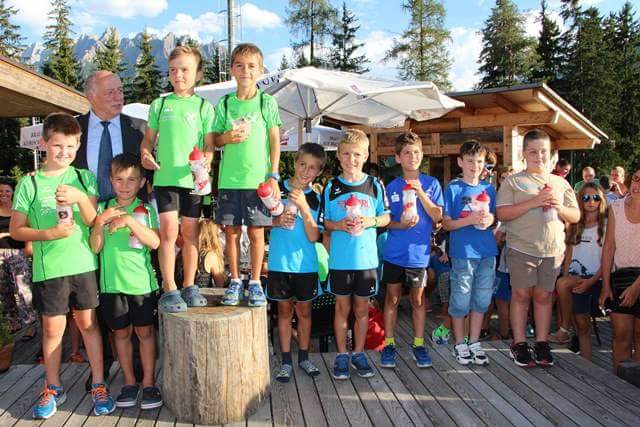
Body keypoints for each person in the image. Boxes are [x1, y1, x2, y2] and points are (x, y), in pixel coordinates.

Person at [10, 113, 115, 418]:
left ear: (78, 145)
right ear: (44, 143)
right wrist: (49, 234)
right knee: (53, 330)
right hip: (50, 269)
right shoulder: (30, 183)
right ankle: (53, 385)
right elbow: (17, 230)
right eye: (57, 145)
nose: (64, 152)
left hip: (83, 264)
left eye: (70, 146)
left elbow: (93, 220)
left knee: (89, 325)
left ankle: (98, 383)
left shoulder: (83, 178)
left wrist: (80, 197)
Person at [141, 46, 215, 313]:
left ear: (198, 73)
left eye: (185, 69)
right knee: (168, 232)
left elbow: (209, 144)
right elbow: (148, 140)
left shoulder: (204, 107)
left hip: (194, 181)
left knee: (191, 233)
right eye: (173, 70)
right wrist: (145, 154)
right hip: (165, 179)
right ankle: (170, 288)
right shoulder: (159, 104)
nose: (178, 75)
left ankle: (190, 285)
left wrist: (207, 158)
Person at [496, 129, 580, 368]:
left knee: (544, 297)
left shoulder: (560, 183)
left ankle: (542, 343)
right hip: (521, 248)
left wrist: (559, 207)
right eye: (533, 151)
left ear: (550, 154)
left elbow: (575, 215)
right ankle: (519, 343)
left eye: (543, 151)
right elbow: (502, 213)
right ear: (524, 154)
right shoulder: (513, 181)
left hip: (552, 251)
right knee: (521, 296)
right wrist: (534, 202)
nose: (539, 156)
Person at [89, 153, 163, 410]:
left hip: (142, 284)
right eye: (119, 179)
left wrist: (130, 220)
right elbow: (95, 247)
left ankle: (149, 383)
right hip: (111, 286)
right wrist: (100, 223)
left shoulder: (146, 209)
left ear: (141, 182)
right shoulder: (102, 208)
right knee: (120, 334)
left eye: (131, 180)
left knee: (145, 332)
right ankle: (129, 382)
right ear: (111, 180)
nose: (125, 185)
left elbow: (155, 242)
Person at [212, 43, 282, 308]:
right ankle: (234, 281)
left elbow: (274, 140)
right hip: (229, 180)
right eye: (240, 65)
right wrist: (227, 137)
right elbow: (214, 139)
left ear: (260, 70)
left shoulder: (266, 102)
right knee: (230, 232)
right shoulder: (225, 102)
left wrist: (273, 175)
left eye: (252, 66)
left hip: (258, 182)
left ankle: (254, 282)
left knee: (256, 232)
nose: (245, 71)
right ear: (232, 69)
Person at [319, 129, 390, 379]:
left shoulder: (374, 184)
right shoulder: (331, 186)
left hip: (366, 260)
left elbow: (386, 217)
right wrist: (339, 225)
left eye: (357, 154)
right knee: (341, 309)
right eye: (347, 154)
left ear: (366, 155)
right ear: (338, 156)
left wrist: (370, 220)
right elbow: (324, 222)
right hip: (340, 261)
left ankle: (359, 353)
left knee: (362, 310)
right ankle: (341, 355)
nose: (352, 159)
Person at [379, 131, 443, 369]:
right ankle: (389, 344)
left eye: (416, 152)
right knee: (392, 298)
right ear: (398, 158)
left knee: (418, 299)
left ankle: (418, 344)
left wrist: (420, 192)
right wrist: (401, 225)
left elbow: (438, 216)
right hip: (394, 252)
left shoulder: (431, 184)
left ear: (422, 155)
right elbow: (386, 221)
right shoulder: (392, 186)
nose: (412, 157)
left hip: (418, 255)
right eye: (406, 153)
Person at [267, 143, 326, 382]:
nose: (305, 171)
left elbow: (314, 236)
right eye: (302, 164)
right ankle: (285, 361)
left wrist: (304, 206)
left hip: (305, 265)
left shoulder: (316, 198)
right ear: (294, 162)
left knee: (304, 312)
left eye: (312, 168)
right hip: (280, 262)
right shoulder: (276, 189)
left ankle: (303, 357)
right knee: (283, 311)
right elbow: (259, 221)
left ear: (318, 172)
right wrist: (276, 221)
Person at [442, 140, 497, 366]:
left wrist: (490, 219)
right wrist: (470, 220)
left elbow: (494, 218)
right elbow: (447, 224)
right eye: (470, 161)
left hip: (487, 251)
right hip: (463, 252)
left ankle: (474, 342)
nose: (475, 166)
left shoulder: (489, 189)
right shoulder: (453, 188)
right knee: (461, 298)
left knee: (482, 298)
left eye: (480, 161)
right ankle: (459, 343)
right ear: (460, 162)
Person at [549, 183, 606, 360]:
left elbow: (608, 259)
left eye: (595, 198)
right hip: (574, 278)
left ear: (601, 200)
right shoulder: (575, 224)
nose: (591, 202)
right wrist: (566, 274)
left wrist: (591, 281)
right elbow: (569, 254)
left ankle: (564, 328)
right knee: (582, 325)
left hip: (597, 278)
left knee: (562, 284)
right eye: (586, 198)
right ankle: (586, 364)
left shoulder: (606, 225)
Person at [74, 71, 145, 202]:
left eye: (120, 90)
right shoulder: (72, 128)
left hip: (130, 211)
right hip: (82, 211)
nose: (118, 97)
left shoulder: (140, 128)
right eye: (110, 92)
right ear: (90, 96)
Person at [599, 168, 640, 372]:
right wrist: (606, 285)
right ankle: (619, 385)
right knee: (621, 336)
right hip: (621, 277)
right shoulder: (616, 206)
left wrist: (636, 287)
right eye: (636, 178)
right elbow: (608, 247)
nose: (637, 184)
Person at [195, 219, 227, 288]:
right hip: (202, 293)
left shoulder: (187, 252)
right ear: (214, 235)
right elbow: (220, 283)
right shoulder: (210, 255)